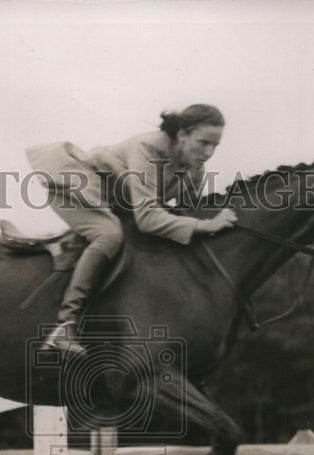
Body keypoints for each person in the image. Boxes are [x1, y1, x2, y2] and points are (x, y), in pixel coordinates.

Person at [27, 104, 238, 355]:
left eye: (215, 146)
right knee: (109, 235)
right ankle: (65, 326)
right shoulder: (147, 149)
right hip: (76, 183)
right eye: (204, 142)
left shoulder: (195, 169)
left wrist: (216, 220)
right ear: (183, 134)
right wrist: (207, 225)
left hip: (116, 202)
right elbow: (148, 218)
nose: (209, 152)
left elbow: (186, 214)